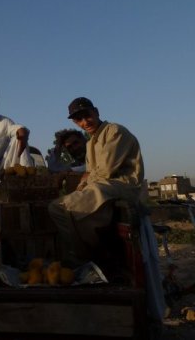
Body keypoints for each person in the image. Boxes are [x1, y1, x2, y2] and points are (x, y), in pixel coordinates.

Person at [48, 97, 165, 321]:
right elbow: (92, 175)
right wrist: (82, 184)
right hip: (103, 186)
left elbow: (105, 171)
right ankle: (90, 256)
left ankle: (88, 259)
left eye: (87, 115)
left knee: (66, 206)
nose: (84, 121)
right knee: (59, 208)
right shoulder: (92, 141)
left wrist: (83, 184)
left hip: (121, 187)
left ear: (96, 112)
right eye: (79, 119)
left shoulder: (114, 131)